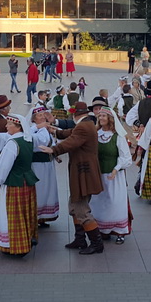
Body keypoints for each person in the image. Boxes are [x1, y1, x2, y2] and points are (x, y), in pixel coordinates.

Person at [42, 101, 106, 255]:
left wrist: (53, 149)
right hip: (83, 172)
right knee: (74, 205)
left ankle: (97, 244)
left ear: (74, 114)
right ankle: (80, 239)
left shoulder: (84, 126)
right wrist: (53, 130)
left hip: (84, 173)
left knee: (81, 209)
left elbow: (71, 142)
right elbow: (70, 133)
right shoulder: (86, 124)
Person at [0, 113, 38, 256]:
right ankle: (28, 238)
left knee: (12, 214)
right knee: (26, 211)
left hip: (14, 183)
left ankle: (15, 245)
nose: (6, 126)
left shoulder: (12, 144)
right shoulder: (27, 139)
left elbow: (3, 166)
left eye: (9, 124)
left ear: (18, 127)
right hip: (27, 181)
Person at [90, 106, 133, 244]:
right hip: (98, 175)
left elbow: (126, 157)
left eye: (104, 116)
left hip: (114, 176)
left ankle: (120, 231)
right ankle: (103, 229)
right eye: (100, 116)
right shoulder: (95, 134)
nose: (101, 118)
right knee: (100, 202)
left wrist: (116, 169)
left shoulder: (118, 136)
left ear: (110, 119)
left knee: (115, 201)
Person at [29, 107, 60, 227]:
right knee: (39, 189)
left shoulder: (47, 129)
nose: (42, 117)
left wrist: (55, 154)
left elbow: (51, 143)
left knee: (48, 188)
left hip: (48, 164)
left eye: (43, 115)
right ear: (33, 119)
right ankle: (36, 216)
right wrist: (38, 128)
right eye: (39, 115)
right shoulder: (32, 130)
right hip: (37, 165)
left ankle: (43, 217)